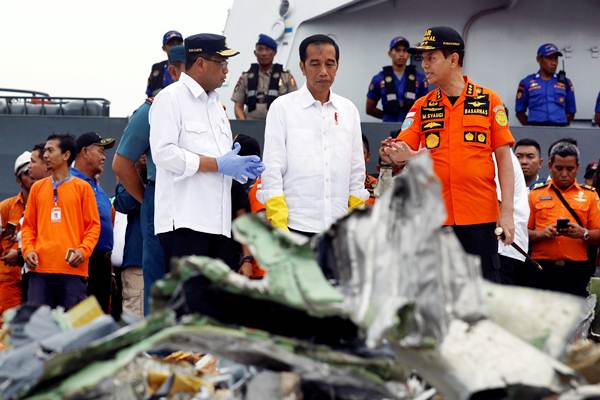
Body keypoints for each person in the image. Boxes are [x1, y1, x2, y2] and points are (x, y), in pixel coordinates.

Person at [380, 26, 516, 282]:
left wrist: (507, 213)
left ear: (453, 59)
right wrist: (399, 153)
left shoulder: (489, 101)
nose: (424, 65)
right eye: (422, 58)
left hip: (480, 217)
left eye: (431, 58)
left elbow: (504, 161)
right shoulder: (421, 106)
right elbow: (398, 152)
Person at [149, 33, 264, 265]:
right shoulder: (170, 99)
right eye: (221, 63)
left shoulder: (217, 108)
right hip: (185, 223)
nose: (226, 70)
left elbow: (223, 161)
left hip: (219, 224)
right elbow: (164, 154)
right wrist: (218, 164)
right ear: (200, 63)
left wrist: (237, 168)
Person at [259, 34, 369, 236]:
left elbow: (356, 170)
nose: (323, 72)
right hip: (295, 226)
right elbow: (272, 170)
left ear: (338, 65)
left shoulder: (349, 110)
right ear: (302, 66)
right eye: (315, 64)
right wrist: (280, 226)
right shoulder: (282, 108)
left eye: (330, 64)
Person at [113, 44, 186, 314]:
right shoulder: (151, 111)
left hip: (192, 203)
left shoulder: (207, 108)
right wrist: (146, 197)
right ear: (175, 72)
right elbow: (121, 164)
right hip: (162, 196)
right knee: (158, 281)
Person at [21, 134, 101, 310]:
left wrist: (83, 251)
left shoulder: (83, 188)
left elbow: (93, 226)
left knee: (70, 332)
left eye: (50, 150)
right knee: (39, 328)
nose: (45, 155)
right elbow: (27, 227)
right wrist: (28, 251)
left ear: (66, 155)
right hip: (39, 273)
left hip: (72, 272)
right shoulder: (37, 188)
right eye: (44, 151)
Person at [527, 142, 600, 296]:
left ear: (578, 168)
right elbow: (520, 234)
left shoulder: (590, 196)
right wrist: (542, 234)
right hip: (541, 268)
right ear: (549, 165)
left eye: (570, 169)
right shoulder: (535, 194)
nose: (564, 174)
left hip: (577, 270)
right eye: (559, 168)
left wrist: (583, 233)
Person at [71, 132, 116, 313]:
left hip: (102, 265)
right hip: (84, 263)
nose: (104, 157)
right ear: (84, 152)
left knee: (98, 323)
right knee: (82, 323)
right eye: (99, 150)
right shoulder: (72, 184)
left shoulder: (96, 186)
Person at [0, 152, 34, 321]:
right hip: (10, 282)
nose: (33, 176)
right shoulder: (5, 208)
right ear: (18, 179)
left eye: (34, 171)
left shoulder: (49, 206)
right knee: (8, 327)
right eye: (27, 173)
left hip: (36, 278)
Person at [232, 34, 297, 120]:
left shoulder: (286, 76)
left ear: (274, 52)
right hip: (251, 126)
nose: (263, 53)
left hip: (278, 126)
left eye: (267, 49)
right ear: (255, 53)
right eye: (260, 49)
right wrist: (245, 127)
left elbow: (294, 104)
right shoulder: (245, 77)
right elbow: (238, 107)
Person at [366, 36, 428, 122]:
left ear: (409, 54)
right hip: (388, 129)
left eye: (405, 50)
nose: (401, 54)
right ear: (390, 53)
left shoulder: (420, 79)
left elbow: (426, 108)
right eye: (397, 50)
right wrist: (387, 117)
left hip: (412, 128)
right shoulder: (379, 79)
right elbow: (369, 109)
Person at [515, 43, 576, 126]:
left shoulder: (566, 82)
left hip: (560, 129)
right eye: (549, 58)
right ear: (539, 59)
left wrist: (561, 125)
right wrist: (530, 128)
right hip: (535, 129)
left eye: (555, 59)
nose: (554, 63)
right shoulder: (526, 82)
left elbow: (571, 112)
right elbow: (520, 112)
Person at [495, 151, 530, 285]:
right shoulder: (503, 155)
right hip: (506, 250)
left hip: (502, 249)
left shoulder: (495, 155)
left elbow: (496, 202)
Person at [146, 30, 184, 97]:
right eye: (171, 43)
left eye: (178, 43)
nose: (175, 46)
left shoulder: (192, 65)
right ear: (163, 48)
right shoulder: (157, 67)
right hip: (160, 102)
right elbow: (150, 93)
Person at [362, 134, 378, 206]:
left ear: (368, 156)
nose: (355, 158)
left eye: (361, 153)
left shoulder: (377, 186)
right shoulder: (330, 185)